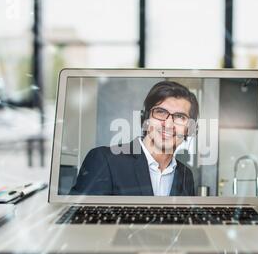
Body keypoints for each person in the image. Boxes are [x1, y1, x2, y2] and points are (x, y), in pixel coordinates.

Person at [69, 81, 199, 196]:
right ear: (145, 119)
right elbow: (76, 219)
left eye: (180, 117)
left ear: (190, 129)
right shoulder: (104, 160)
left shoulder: (185, 175)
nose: (169, 124)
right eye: (160, 112)